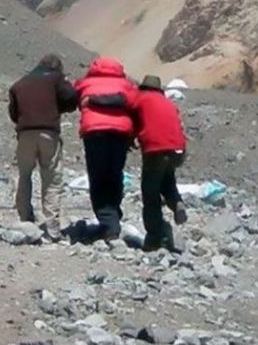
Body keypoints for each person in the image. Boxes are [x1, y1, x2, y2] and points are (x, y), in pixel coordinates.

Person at [7, 54, 79, 240]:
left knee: (23, 175)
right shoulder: (56, 79)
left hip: (25, 134)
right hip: (48, 133)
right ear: (57, 67)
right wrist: (58, 108)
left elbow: (13, 113)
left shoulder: (20, 83)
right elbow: (71, 97)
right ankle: (53, 229)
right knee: (52, 179)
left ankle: (25, 219)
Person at [73, 56, 139, 241]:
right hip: (121, 134)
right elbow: (135, 104)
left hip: (94, 133)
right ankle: (113, 216)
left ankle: (108, 223)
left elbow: (73, 96)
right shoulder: (127, 85)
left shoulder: (85, 83)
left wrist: (92, 101)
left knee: (98, 176)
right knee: (114, 174)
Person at [133, 75, 188, 251]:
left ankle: (154, 237)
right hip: (177, 149)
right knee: (167, 179)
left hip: (155, 149)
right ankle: (176, 203)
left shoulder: (140, 99)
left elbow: (132, 118)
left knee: (150, 192)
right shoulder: (168, 103)